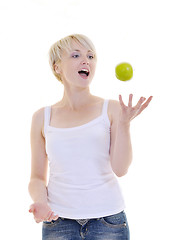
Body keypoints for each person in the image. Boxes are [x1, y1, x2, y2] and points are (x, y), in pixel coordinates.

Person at [28, 34, 153, 240]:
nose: (86, 60)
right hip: (58, 223)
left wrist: (124, 124)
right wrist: (40, 201)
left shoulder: (111, 109)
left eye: (91, 56)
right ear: (57, 67)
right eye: (75, 55)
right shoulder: (42, 117)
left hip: (108, 222)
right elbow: (36, 178)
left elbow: (120, 169)